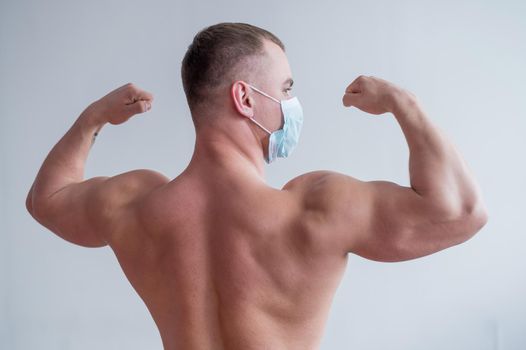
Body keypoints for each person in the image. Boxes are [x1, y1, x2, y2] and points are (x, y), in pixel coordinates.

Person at [25, 22, 488, 350]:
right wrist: (403, 103)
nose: (292, 103)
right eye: (286, 89)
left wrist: (95, 118)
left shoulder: (134, 205)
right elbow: (461, 212)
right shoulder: (315, 208)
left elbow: (46, 199)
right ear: (245, 98)